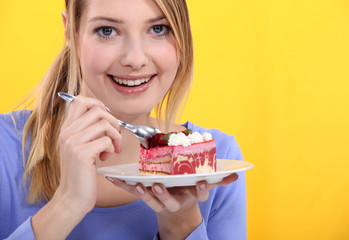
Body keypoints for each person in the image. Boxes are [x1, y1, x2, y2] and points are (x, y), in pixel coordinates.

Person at [0, 0, 247, 239]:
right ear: (71, 33)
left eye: (158, 29)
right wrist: (67, 204)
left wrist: (182, 225)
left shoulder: (217, 161)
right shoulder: (5, 148)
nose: (135, 59)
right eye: (107, 30)